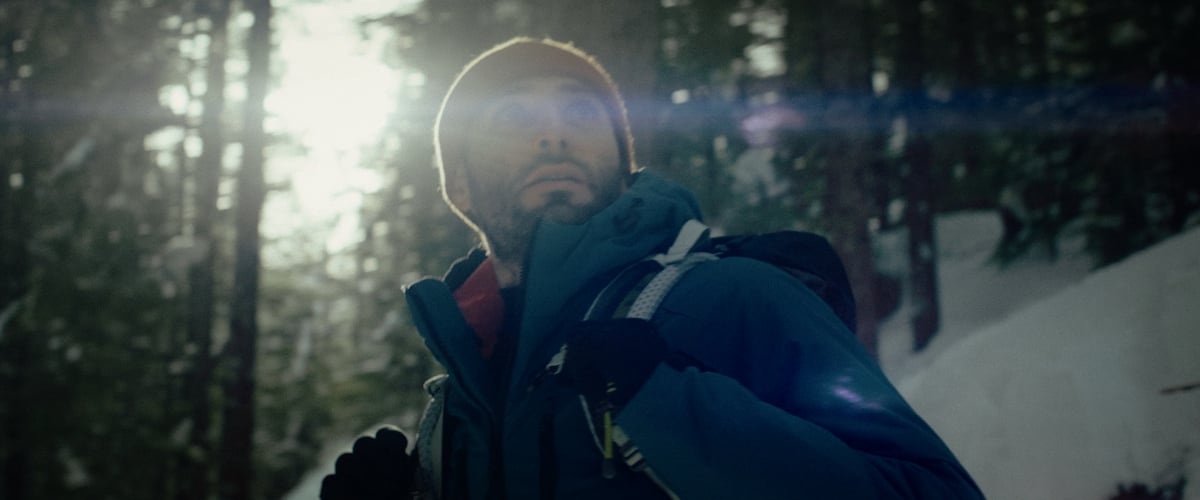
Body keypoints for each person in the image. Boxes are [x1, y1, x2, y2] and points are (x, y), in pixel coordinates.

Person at [321, 37, 984, 500]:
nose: (553, 135)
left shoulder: (733, 298)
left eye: (582, 114)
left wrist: (668, 405)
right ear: (459, 187)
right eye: (513, 117)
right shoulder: (459, 401)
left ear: (621, 161)